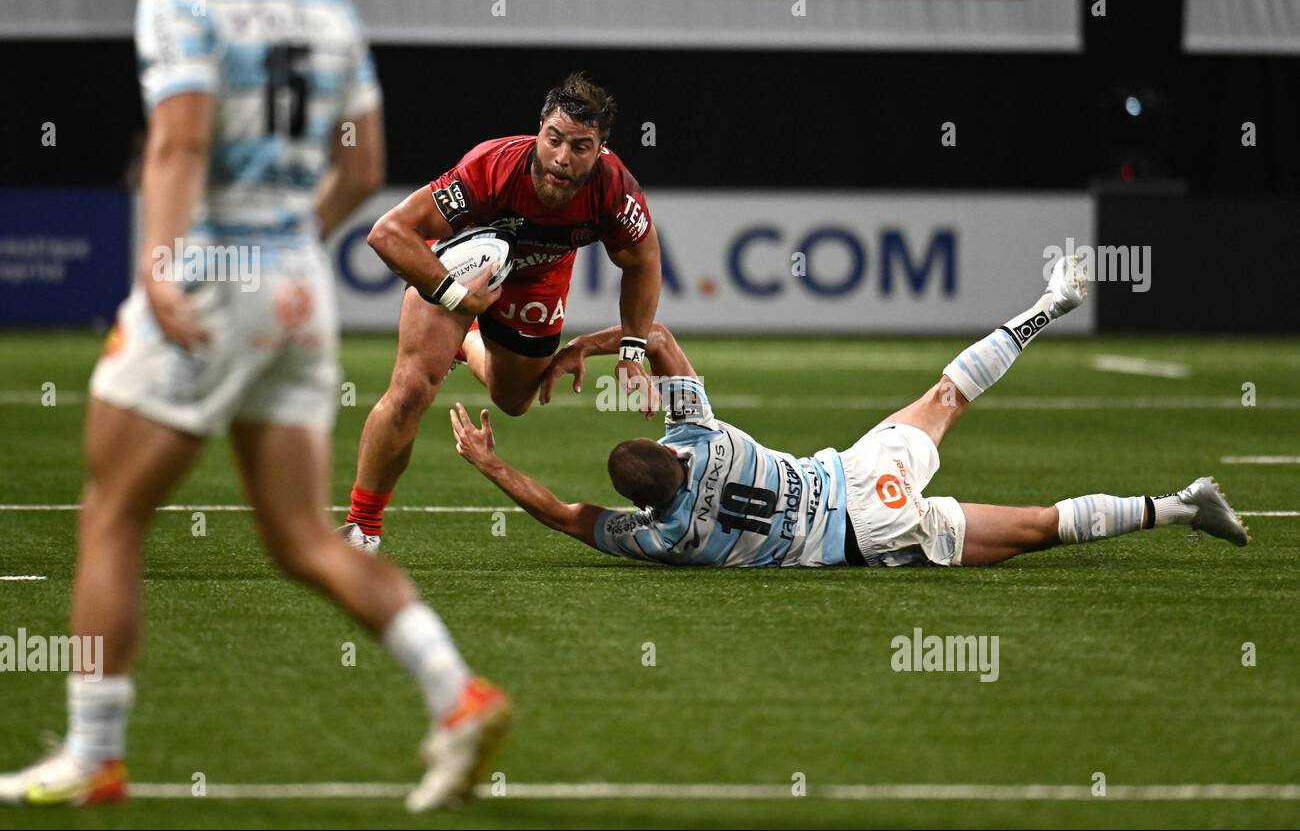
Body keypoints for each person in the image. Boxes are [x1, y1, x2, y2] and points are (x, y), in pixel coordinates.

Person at [0, 0, 508, 812]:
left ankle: (95, 754)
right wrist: (284, 249)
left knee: (111, 512)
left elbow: (182, 141)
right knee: (302, 536)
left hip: (209, 270)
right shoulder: (325, 3)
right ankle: (458, 693)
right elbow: (363, 168)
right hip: (299, 289)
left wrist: (165, 261)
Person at [447, 256, 1250, 568]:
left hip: (865, 531)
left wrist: (491, 463)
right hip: (854, 472)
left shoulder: (664, 536)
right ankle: (1049, 301)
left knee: (1037, 525)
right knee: (948, 394)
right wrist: (587, 346)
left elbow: (562, 514)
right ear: (673, 450)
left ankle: (1179, 505)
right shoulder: (705, 437)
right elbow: (655, 333)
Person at [339, 71, 662, 554]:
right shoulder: (492, 168)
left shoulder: (615, 191)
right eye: (553, 140)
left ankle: (467, 343)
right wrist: (452, 295)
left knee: (514, 400)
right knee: (410, 391)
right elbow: (388, 233)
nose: (561, 158)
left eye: (580, 146)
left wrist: (633, 350)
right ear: (539, 131)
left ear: (600, 149)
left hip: (537, 283)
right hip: (458, 275)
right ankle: (362, 527)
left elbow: (642, 262)